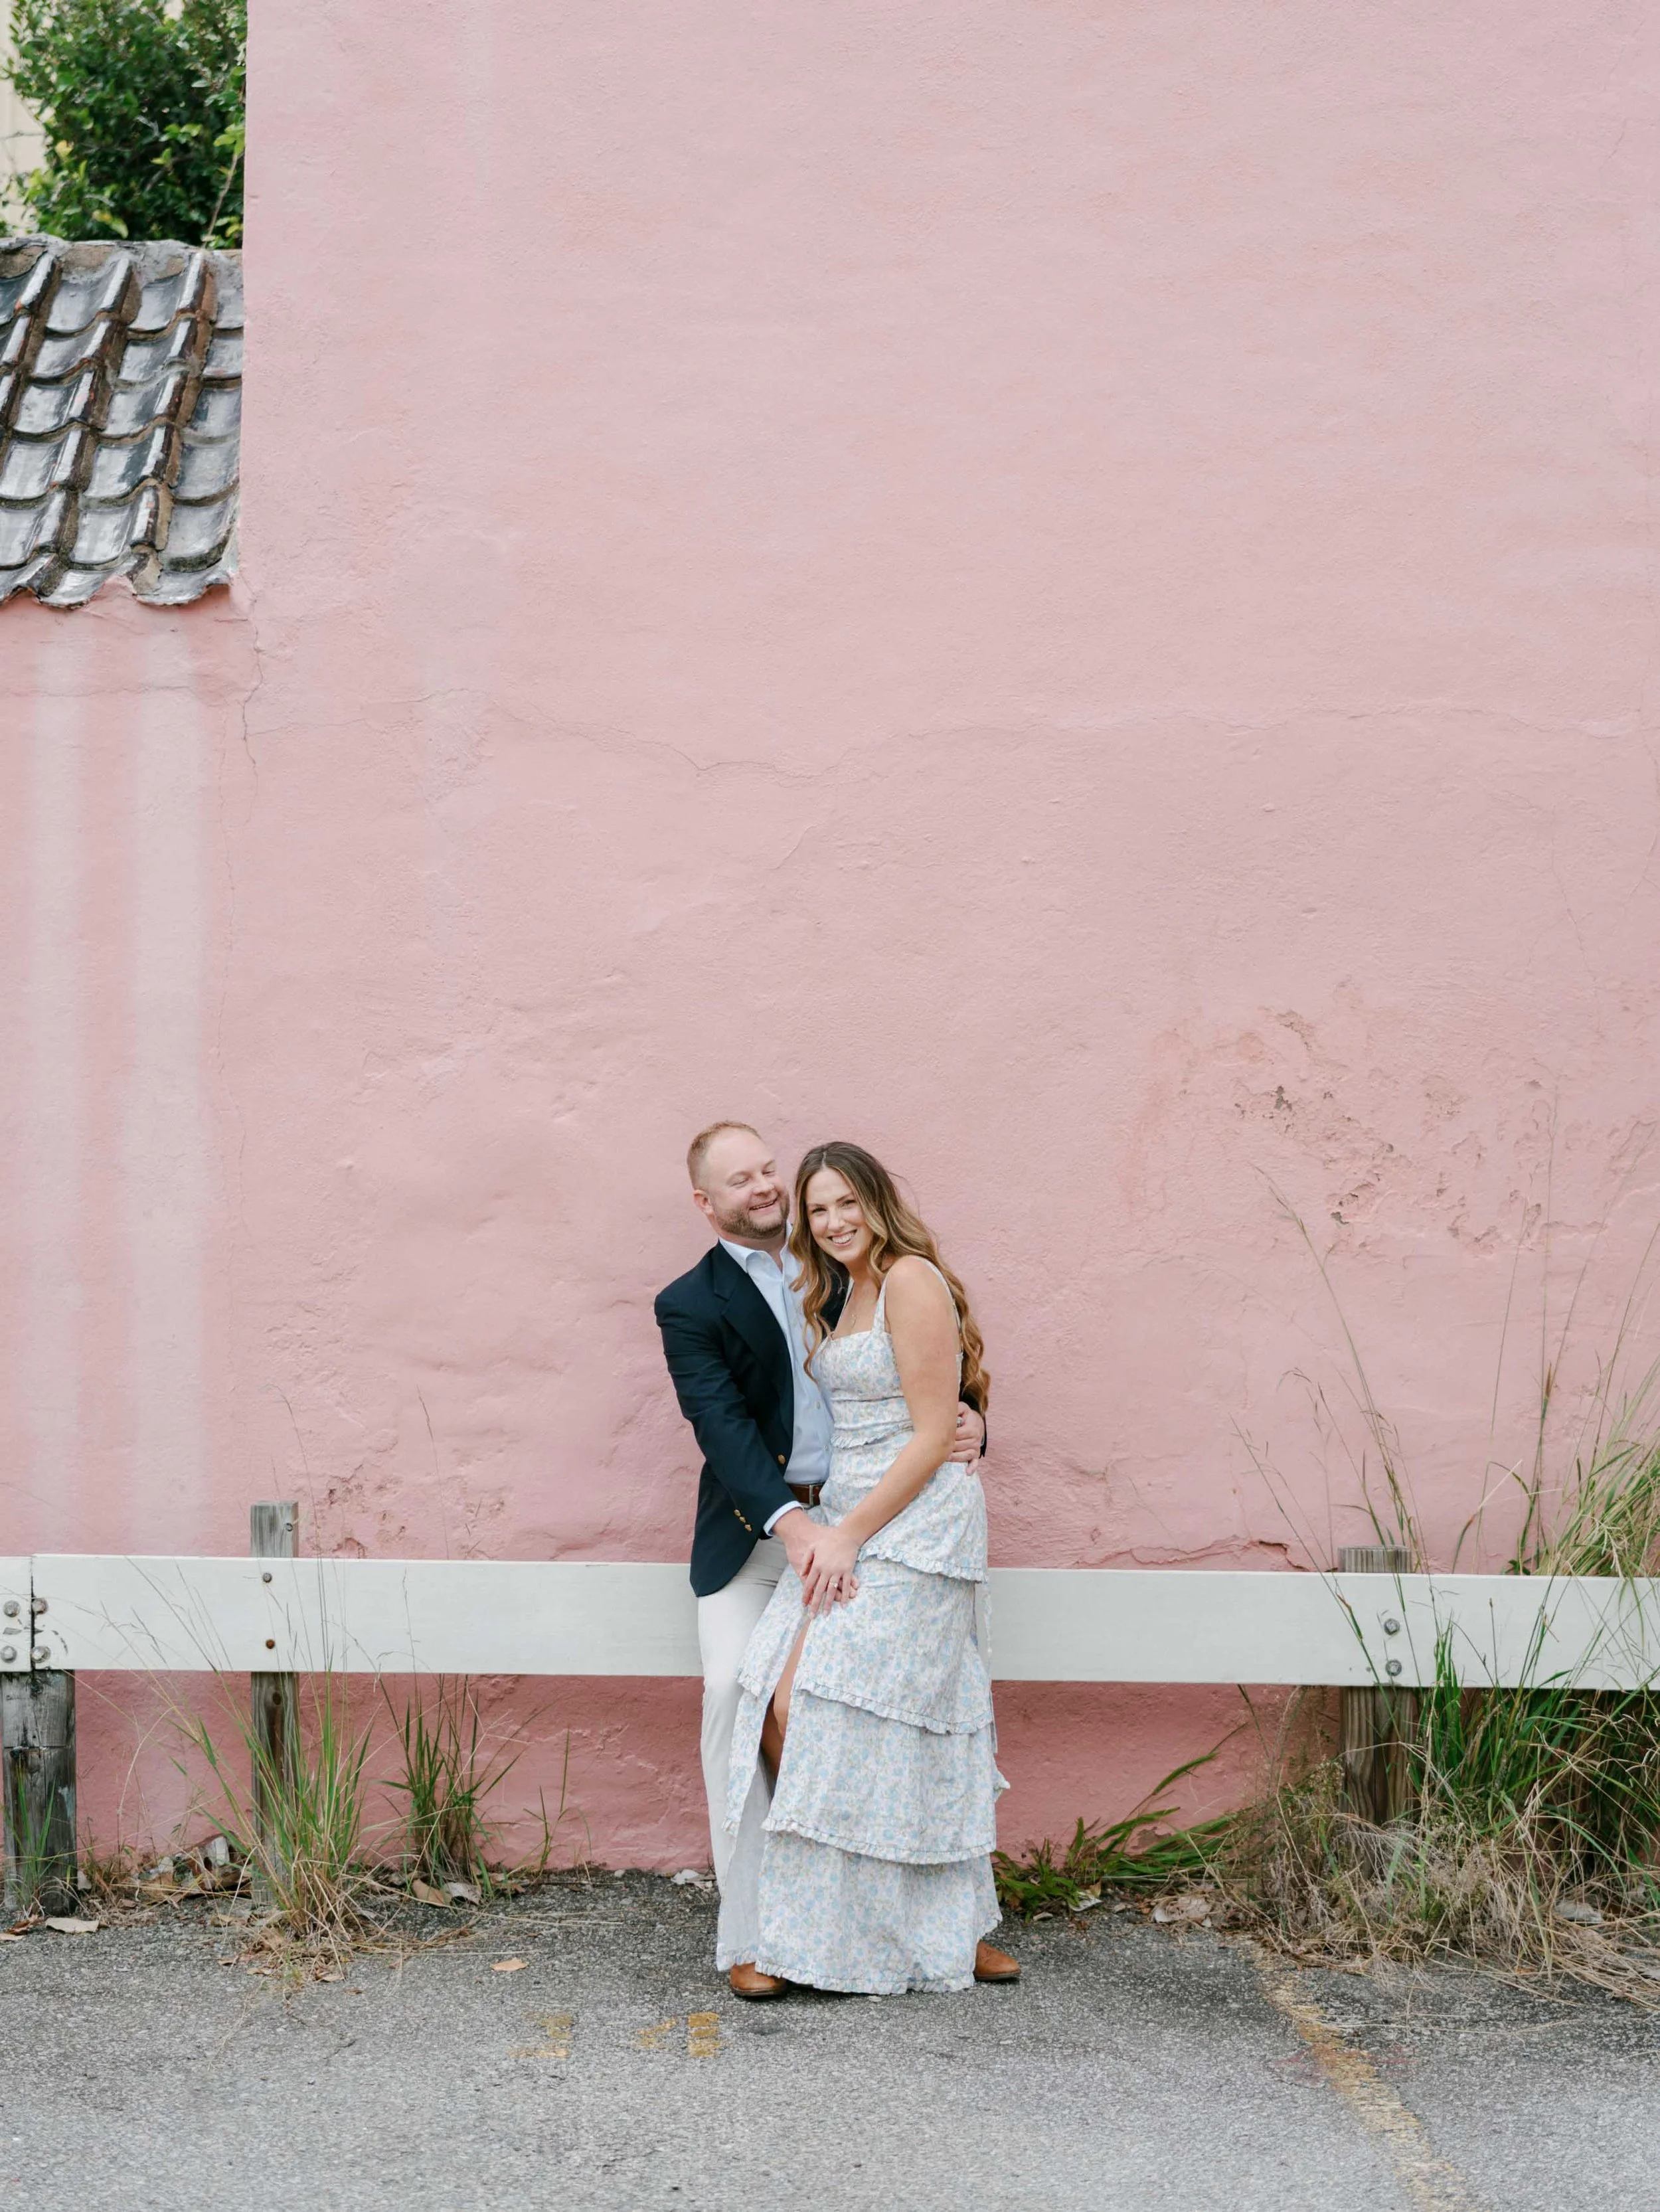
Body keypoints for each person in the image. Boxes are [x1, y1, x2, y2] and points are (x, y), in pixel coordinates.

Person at [654, 1121, 989, 2000]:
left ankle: (936, 1914)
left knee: (894, 1708)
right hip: (763, 1532)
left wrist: (975, 1422)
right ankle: (756, 1934)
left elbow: (932, 1378)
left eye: (770, 1169)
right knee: (742, 1691)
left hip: (867, 1525)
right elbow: (722, 1427)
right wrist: (794, 1526)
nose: (763, 1187)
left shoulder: (839, 1267)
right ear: (706, 1202)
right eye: (741, 1180)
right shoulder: (689, 1301)